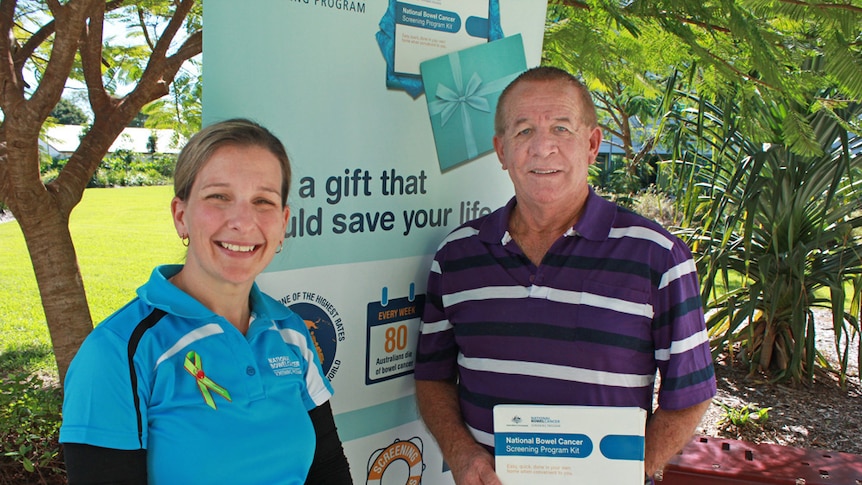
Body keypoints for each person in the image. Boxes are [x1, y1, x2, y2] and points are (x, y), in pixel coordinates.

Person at [414, 66, 716, 484]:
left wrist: (626, 472)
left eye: (561, 128)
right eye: (523, 132)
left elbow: (691, 393)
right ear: (501, 151)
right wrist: (462, 454)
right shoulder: (456, 258)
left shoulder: (658, 257)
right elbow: (433, 378)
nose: (542, 148)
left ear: (592, 145)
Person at [60, 119, 353, 484]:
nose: (243, 222)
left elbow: (328, 468)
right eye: (219, 197)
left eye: (263, 201)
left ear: (283, 223)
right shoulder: (119, 351)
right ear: (181, 216)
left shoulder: (290, 330)